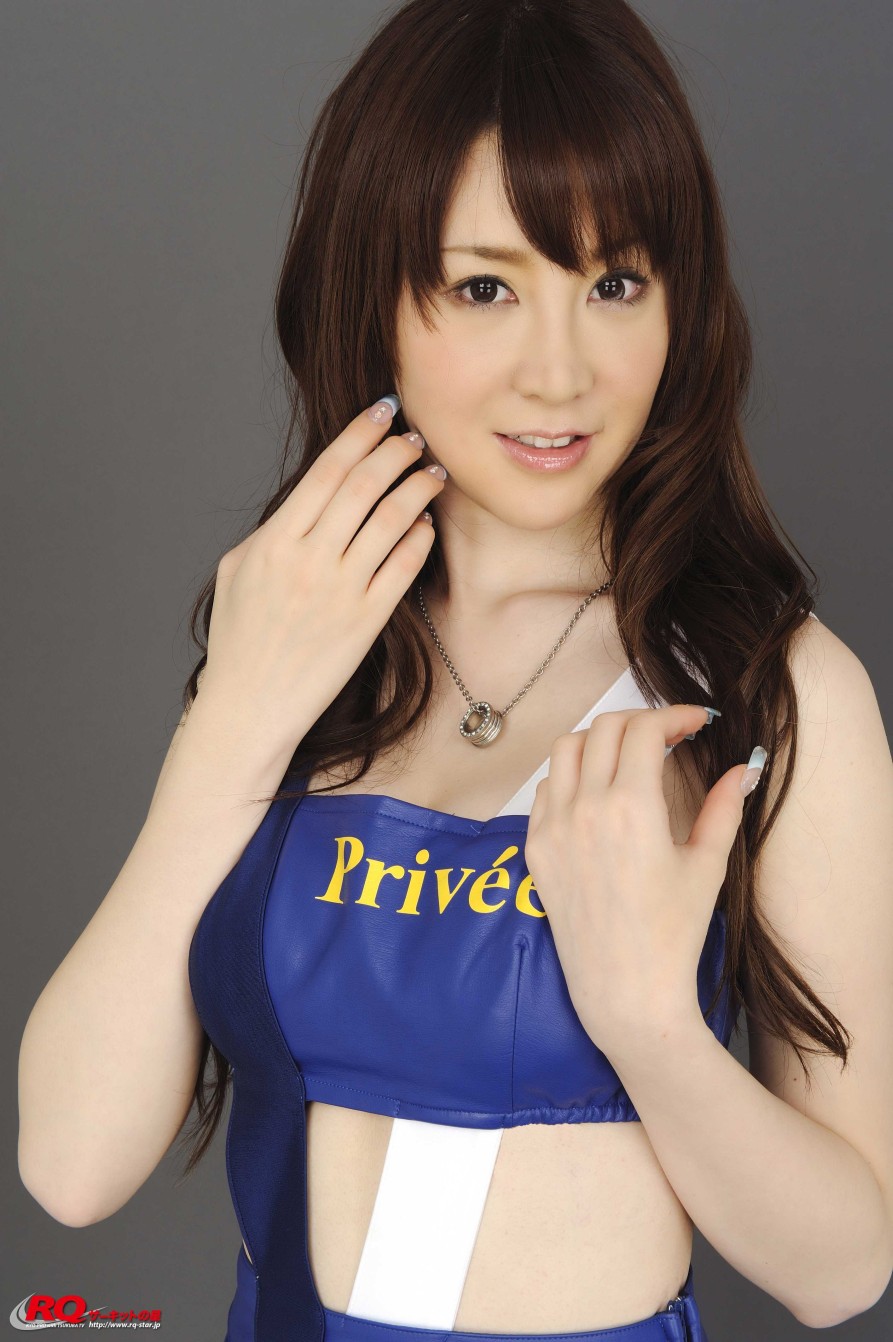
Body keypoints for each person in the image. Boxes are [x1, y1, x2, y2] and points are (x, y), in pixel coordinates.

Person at [18, 2, 893, 1340]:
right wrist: (230, 729)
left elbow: (842, 1270)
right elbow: (71, 1168)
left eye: (615, 284)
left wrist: (648, 1025)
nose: (560, 372)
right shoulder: (300, 635)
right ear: (371, 293)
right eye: (485, 287)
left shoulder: (769, 691)